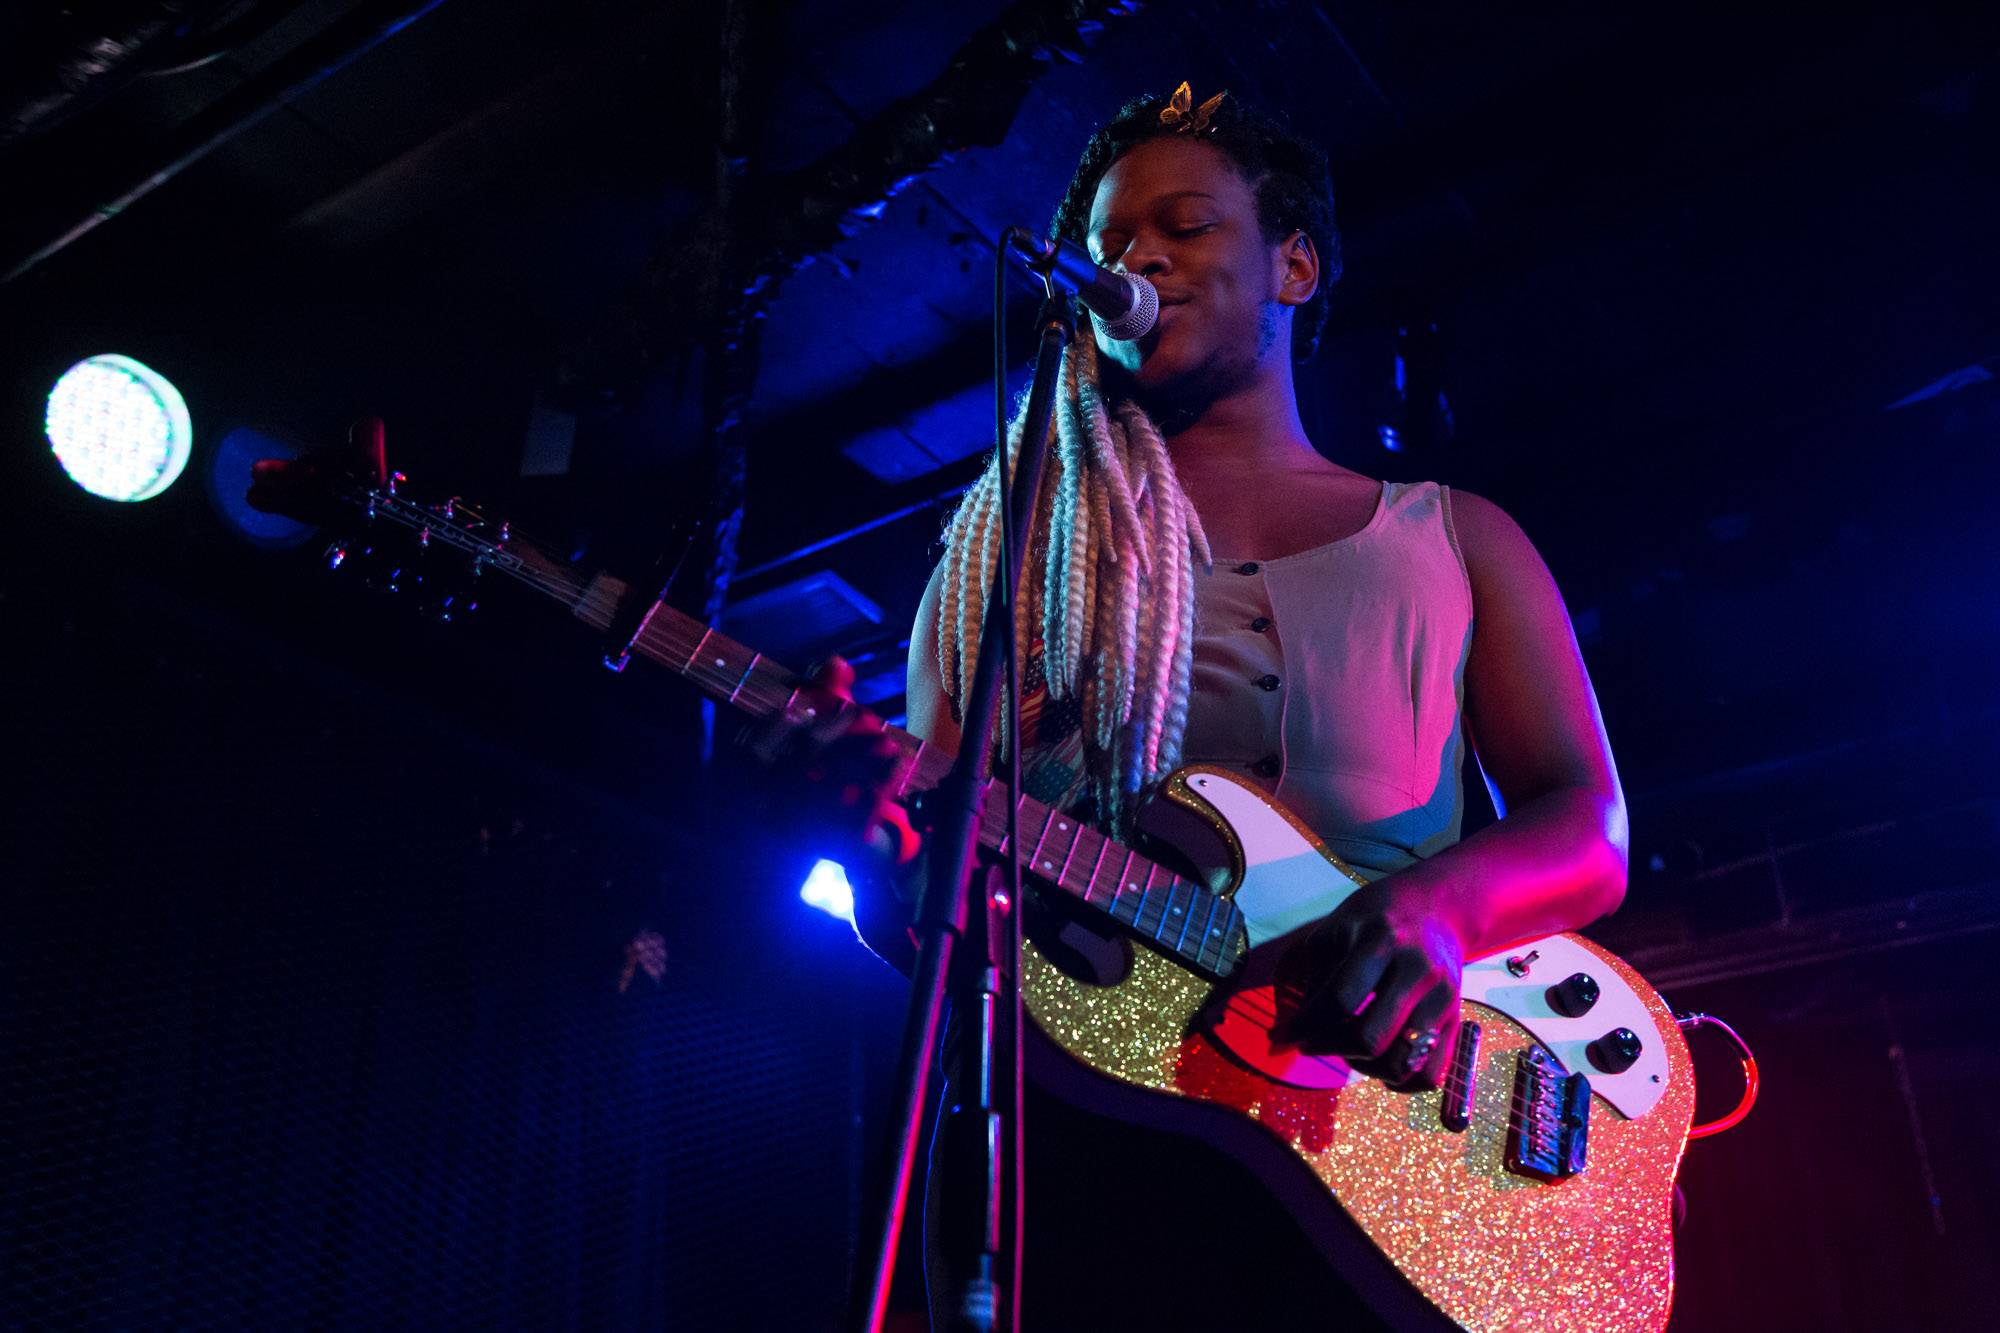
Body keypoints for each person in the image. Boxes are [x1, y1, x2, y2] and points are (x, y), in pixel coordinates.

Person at [771, 83, 1628, 1330]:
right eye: (1114, 245)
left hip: (1393, 1133)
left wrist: (1437, 910)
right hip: (1097, 1154)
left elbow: (1589, 825)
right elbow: (930, 906)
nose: (1138, 260)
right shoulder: (1004, 560)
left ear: (1294, 264)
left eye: (1183, 226)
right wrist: (863, 838)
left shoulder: (1455, 536)